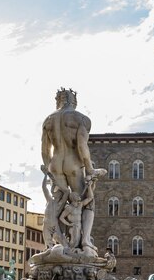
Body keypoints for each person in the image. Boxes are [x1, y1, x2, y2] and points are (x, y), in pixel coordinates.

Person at [41, 88, 106, 252]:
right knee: (86, 201)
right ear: (74, 101)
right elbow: (82, 146)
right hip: (73, 163)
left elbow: (44, 151)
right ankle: (85, 242)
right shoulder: (81, 119)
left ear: (58, 100)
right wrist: (90, 169)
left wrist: (49, 171)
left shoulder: (48, 120)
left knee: (59, 204)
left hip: (55, 164)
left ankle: (60, 243)